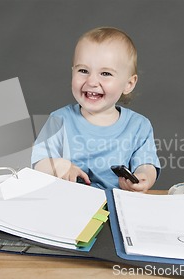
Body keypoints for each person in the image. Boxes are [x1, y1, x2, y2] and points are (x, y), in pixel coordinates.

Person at [31, 27, 160, 192]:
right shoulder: (59, 120)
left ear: (129, 84)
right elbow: (38, 162)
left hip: (116, 204)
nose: (91, 81)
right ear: (73, 72)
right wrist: (59, 165)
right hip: (68, 202)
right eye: (83, 71)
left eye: (105, 73)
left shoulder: (138, 125)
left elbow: (146, 163)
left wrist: (143, 178)